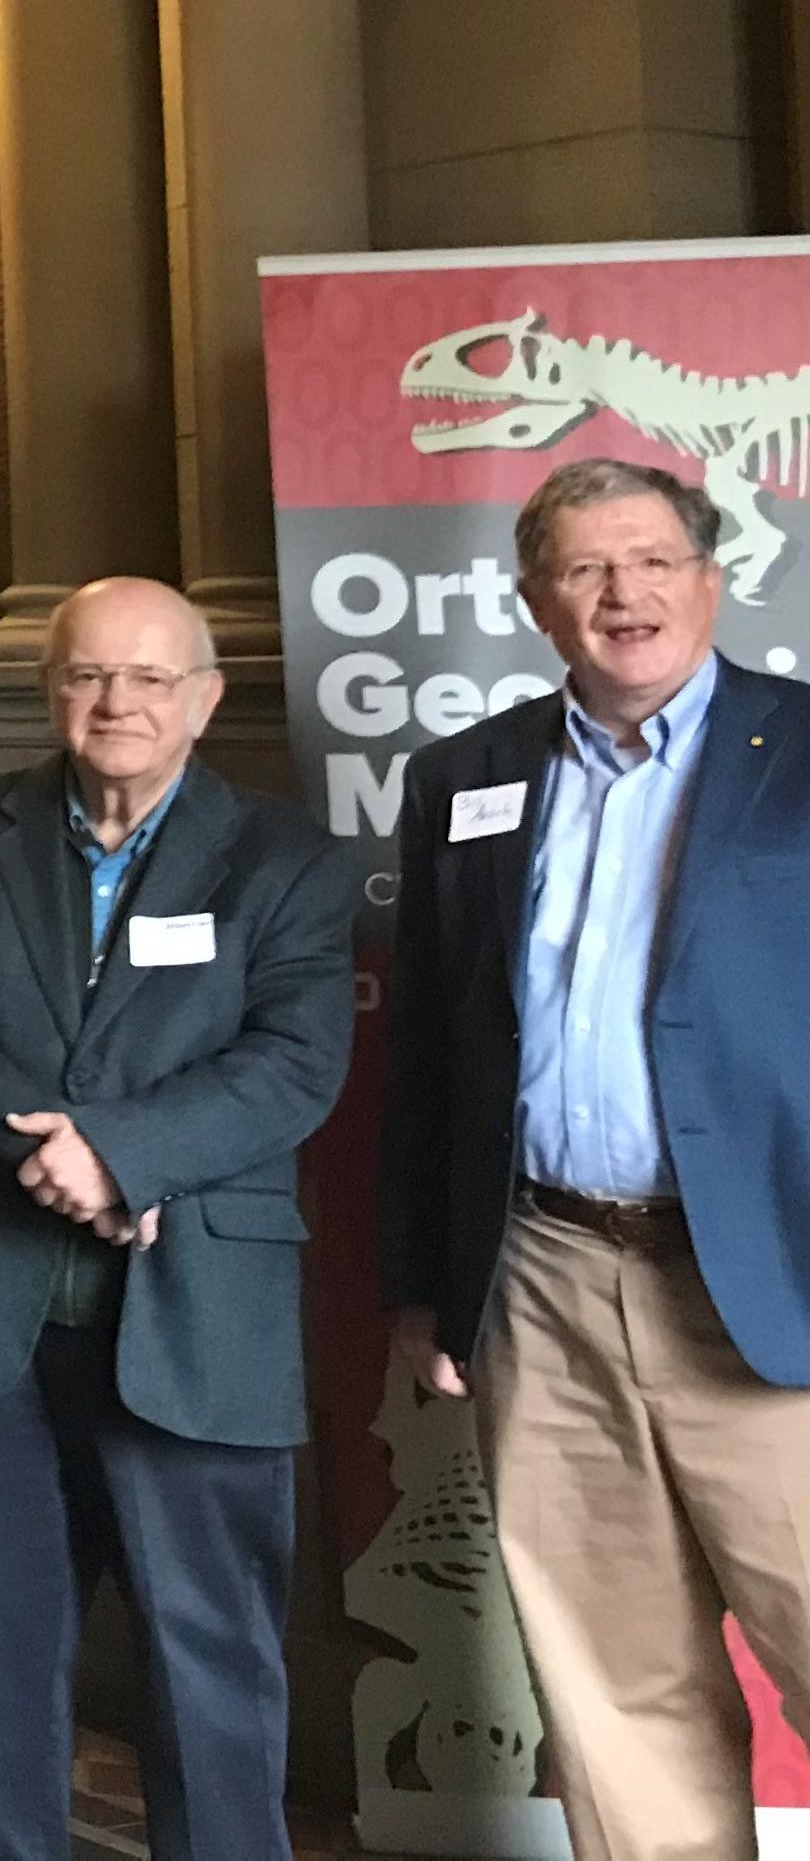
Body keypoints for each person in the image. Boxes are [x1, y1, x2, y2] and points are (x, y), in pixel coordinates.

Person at [0, 578, 356, 1861]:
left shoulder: (287, 861)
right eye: (91, 675)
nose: (117, 704)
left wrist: (125, 1157)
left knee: (211, 1658)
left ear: (203, 701)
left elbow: (298, 1062)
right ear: (54, 691)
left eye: (151, 679)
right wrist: (52, 1155)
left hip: (197, 1309)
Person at [386, 456, 810, 1861]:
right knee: (613, 1690)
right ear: (533, 600)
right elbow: (433, 1057)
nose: (620, 592)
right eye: (582, 567)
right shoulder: (464, 775)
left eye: (647, 559)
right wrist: (428, 1286)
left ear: (710, 574)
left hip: (768, 1281)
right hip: (545, 1279)